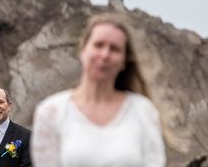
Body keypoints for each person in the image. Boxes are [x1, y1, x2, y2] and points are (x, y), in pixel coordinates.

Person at [32, 13, 166, 167]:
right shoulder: (51, 112)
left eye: (114, 49)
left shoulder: (143, 111)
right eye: (98, 45)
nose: (105, 55)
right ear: (83, 50)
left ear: (124, 61)